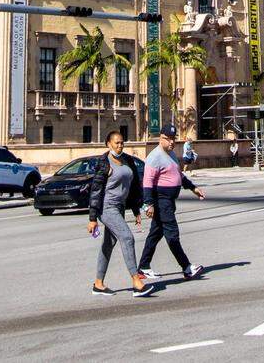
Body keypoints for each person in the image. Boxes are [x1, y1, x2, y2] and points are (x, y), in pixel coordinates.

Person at [87, 130, 154, 298]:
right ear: (108, 144)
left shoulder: (127, 160)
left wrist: (136, 208)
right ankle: (136, 282)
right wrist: (93, 218)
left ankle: (98, 284)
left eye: (122, 142)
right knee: (127, 237)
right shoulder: (104, 162)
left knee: (108, 244)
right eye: (116, 143)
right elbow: (95, 191)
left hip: (120, 207)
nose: (119, 145)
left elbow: (133, 187)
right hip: (107, 208)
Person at [138, 124, 206, 281]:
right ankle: (187, 267)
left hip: (168, 201)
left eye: (173, 139)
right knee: (172, 235)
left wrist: (193, 188)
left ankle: (143, 267)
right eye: (168, 139)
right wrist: (148, 204)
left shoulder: (171, 154)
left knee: (155, 234)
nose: (171, 142)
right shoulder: (154, 157)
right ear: (161, 138)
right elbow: (147, 182)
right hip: (161, 201)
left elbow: (179, 176)